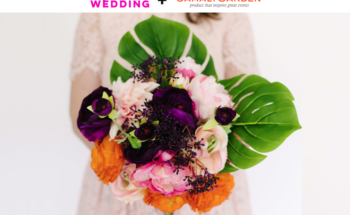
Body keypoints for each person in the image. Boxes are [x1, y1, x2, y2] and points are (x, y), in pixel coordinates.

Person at [70, 13, 258, 215]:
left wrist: (186, 165)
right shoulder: (101, 10)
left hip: (205, 181)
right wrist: (145, 169)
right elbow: (81, 113)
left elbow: (246, 103)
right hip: (126, 185)